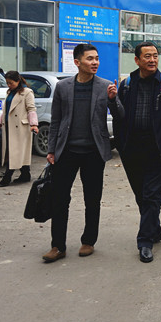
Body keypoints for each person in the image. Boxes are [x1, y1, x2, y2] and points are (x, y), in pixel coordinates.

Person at [44, 43, 121, 263]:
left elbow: (120, 116)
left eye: (96, 58)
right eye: (90, 59)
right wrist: (51, 149)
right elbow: (56, 119)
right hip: (66, 151)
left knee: (92, 199)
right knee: (60, 199)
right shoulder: (63, 87)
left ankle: (88, 241)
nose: (95, 62)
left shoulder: (105, 86)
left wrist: (113, 100)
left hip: (93, 152)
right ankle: (58, 246)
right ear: (77, 62)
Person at [116, 41, 161, 263]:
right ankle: (154, 228)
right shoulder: (127, 85)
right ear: (137, 60)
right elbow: (119, 117)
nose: (152, 60)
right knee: (141, 195)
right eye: (147, 56)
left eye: (155, 55)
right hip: (132, 151)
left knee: (151, 196)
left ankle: (145, 242)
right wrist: (121, 145)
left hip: (159, 151)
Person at [0, 71, 38, 186]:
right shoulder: (9, 92)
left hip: (20, 128)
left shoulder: (27, 92)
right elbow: (6, 110)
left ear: (18, 81)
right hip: (8, 126)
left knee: (14, 152)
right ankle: (25, 174)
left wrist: (34, 124)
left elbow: (31, 109)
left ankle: (7, 177)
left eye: (11, 83)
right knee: (17, 152)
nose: (9, 85)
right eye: (7, 83)